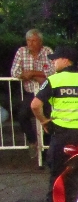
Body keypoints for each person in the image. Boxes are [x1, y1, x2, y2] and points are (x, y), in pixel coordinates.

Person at [30, 46, 78, 202]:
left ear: (65, 60)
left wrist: (44, 121)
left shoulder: (54, 80)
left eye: (56, 59)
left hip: (62, 134)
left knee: (57, 173)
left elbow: (35, 105)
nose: (54, 63)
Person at [10, 28, 55, 157]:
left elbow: (53, 71)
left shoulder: (47, 51)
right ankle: (33, 141)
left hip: (46, 93)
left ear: (40, 41)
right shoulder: (21, 51)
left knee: (47, 118)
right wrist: (33, 76)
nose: (30, 43)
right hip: (30, 92)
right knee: (22, 115)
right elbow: (14, 72)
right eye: (28, 41)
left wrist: (33, 73)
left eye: (34, 41)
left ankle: (47, 151)